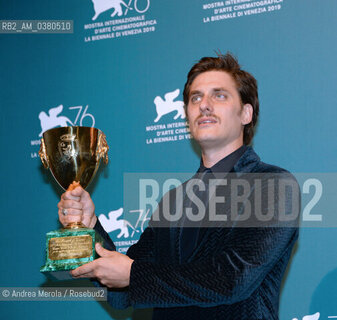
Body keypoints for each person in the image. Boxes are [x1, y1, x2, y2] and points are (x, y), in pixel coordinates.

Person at [58, 53, 299, 319]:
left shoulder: (273, 185)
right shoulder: (173, 201)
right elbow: (123, 292)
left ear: (245, 113)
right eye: (195, 98)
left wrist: (134, 274)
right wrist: (90, 228)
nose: (204, 105)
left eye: (219, 95)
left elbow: (233, 279)